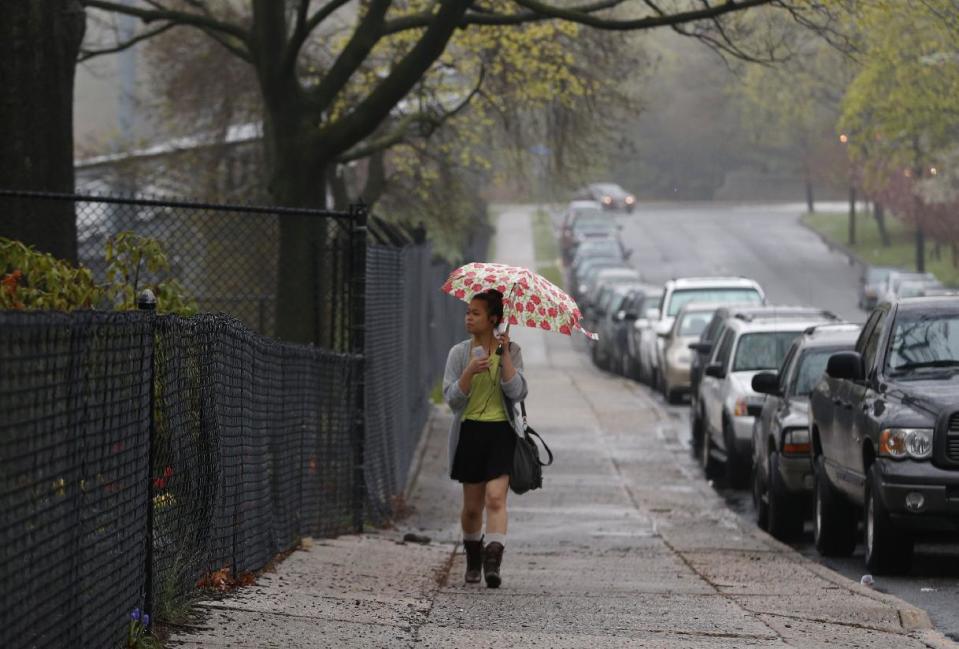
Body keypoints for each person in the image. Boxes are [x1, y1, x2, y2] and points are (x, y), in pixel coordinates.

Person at [442, 289, 528, 588]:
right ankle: (473, 555)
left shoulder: (512, 350)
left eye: (475, 313)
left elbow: (518, 393)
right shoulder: (459, 353)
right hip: (470, 432)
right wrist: (468, 373)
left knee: (495, 498)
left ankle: (493, 563)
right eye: (468, 312)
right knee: (472, 507)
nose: (468, 317)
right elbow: (451, 400)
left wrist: (504, 359)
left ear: (493, 319)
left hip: (500, 432)